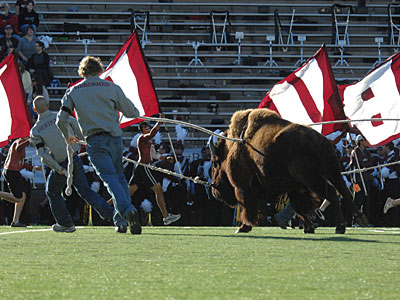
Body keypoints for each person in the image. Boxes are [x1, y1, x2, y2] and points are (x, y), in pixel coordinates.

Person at [56, 56, 142, 235]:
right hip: (115, 138)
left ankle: (127, 211)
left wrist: (68, 136)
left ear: (82, 71)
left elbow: (61, 120)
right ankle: (121, 222)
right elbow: (131, 112)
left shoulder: (73, 91)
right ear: (100, 70)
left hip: (94, 140)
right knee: (119, 177)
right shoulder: (112, 87)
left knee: (110, 178)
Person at [30, 96, 127, 232]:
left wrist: (57, 168)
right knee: (85, 191)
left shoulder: (35, 130)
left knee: (52, 192)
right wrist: (80, 139)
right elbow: (76, 124)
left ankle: (65, 223)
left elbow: (43, 154)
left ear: (34, 109)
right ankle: (114, 216)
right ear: (47, 105)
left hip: (61, 163)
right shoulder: (60, 116)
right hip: (74, 158)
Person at [129, 119, 181, 225]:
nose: (148, 129)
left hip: (141, 167)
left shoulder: (148, 142)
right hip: (144, 167)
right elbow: (152, 133)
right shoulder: (142, 138)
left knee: (127, 192)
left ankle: (106, 206)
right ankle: (166, 216)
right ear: (142, 130)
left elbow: (153, 155)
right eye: (146, 128)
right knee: (159, 190)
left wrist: (165, 158)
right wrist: (160, 122)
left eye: (149, 127)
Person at [0, 137, 41, 227]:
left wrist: (34, 167)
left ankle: (15, 221)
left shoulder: (21, 144)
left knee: (23, 196)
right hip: (11, 172)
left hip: (14, 172)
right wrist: (29, 141)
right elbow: (18, 147)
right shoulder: (19, 142)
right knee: (18, 197)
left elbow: (21, 163)